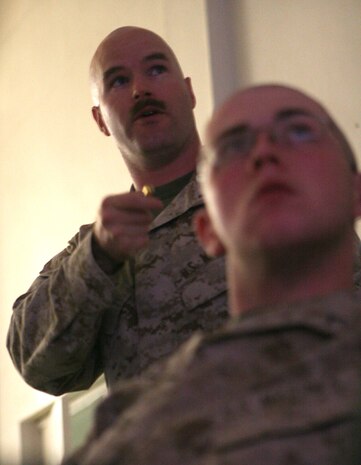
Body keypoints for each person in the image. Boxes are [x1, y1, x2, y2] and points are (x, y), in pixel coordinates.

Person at [62, 84, 361, 465]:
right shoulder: (133, 432)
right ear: (207, 231)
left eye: (300, 131)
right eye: (234, 147)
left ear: (357, 192)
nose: (265, 153)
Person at [6, 26, 227, 395]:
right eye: (119, 81)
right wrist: (97, 260)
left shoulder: (258, 196)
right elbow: (34, 361)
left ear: (189, 92)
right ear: (100, 121)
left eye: (156, 70)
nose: (141, 89)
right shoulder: (97, 248)